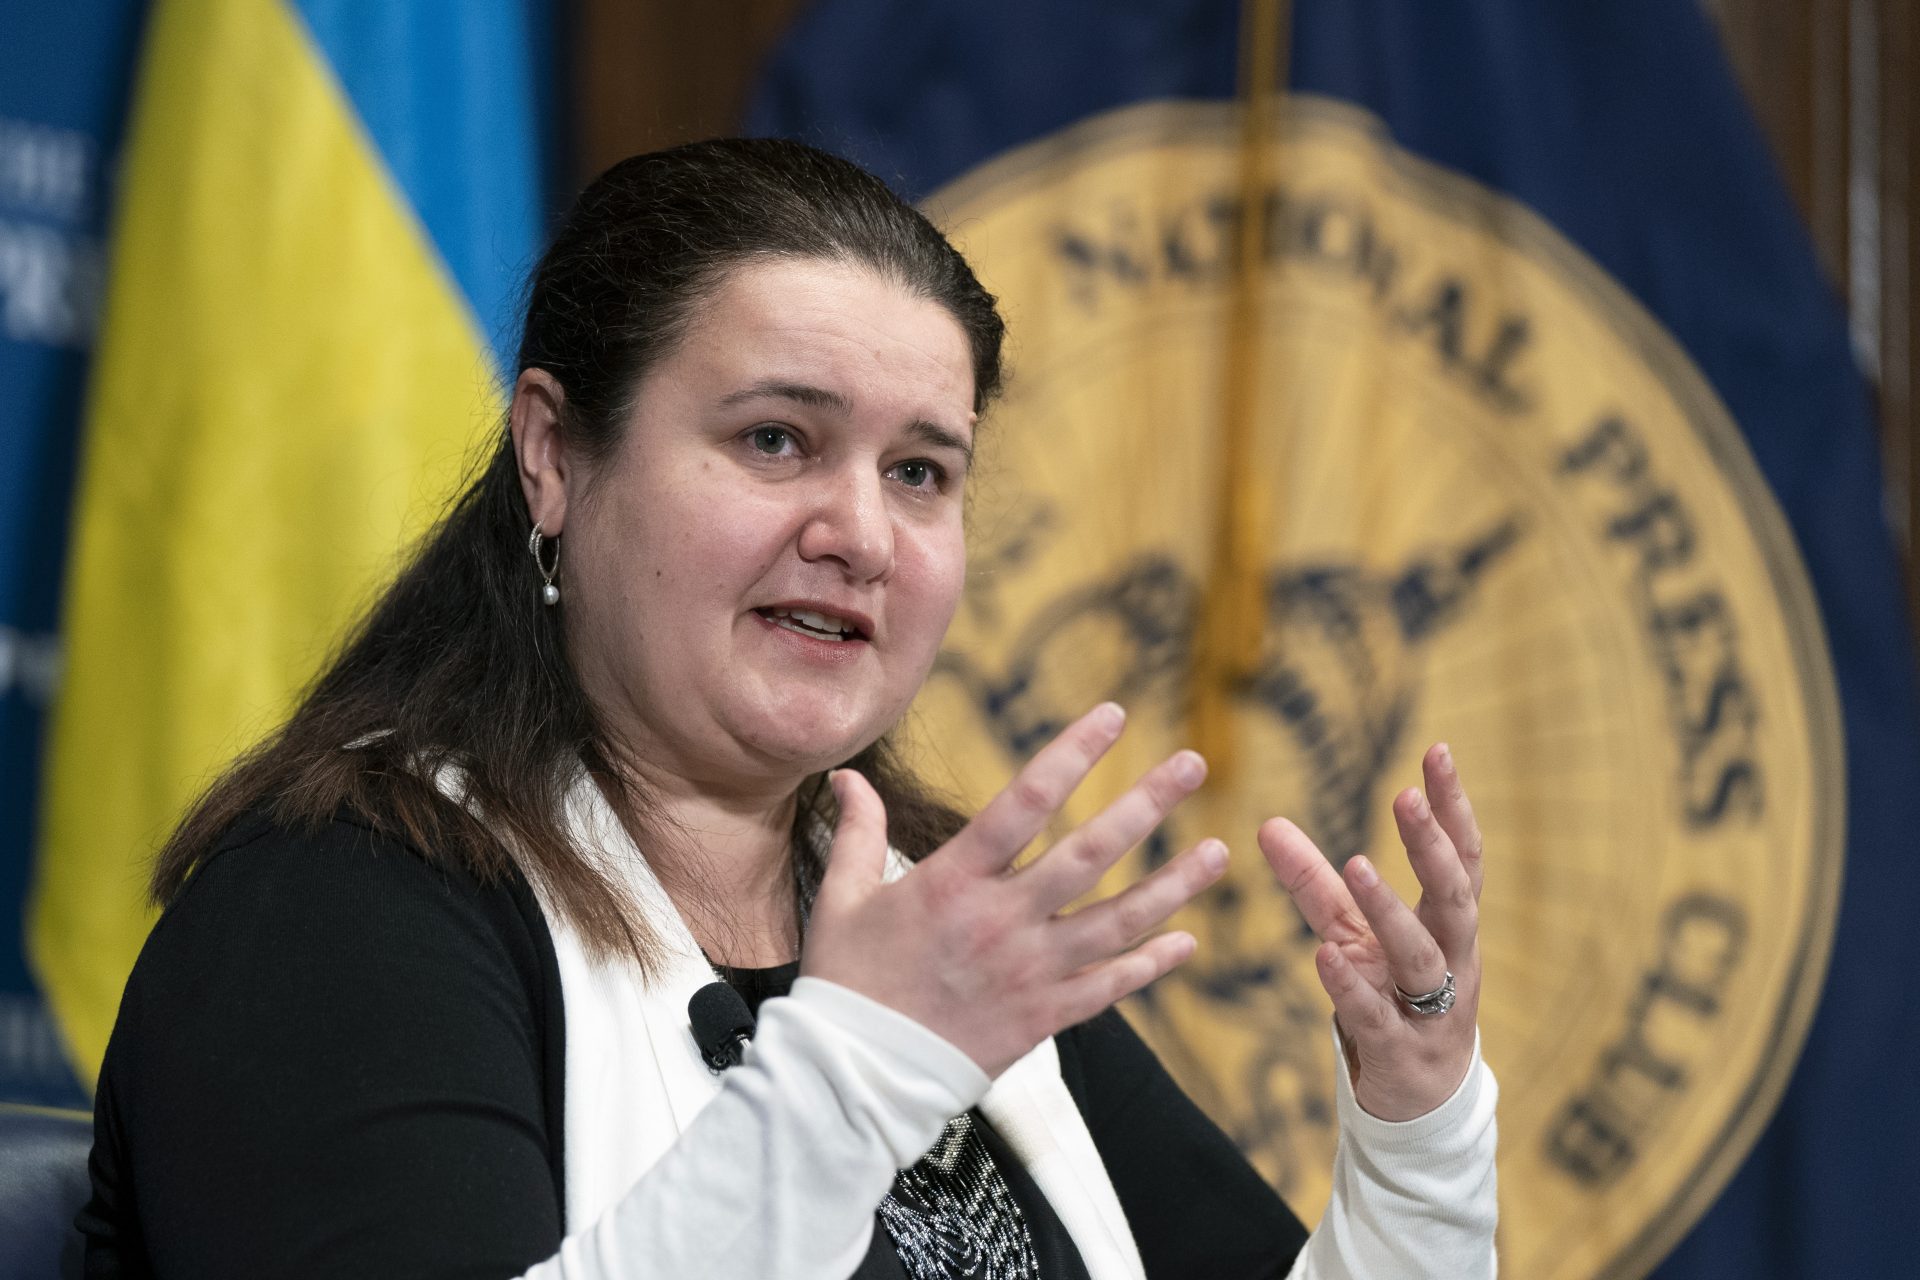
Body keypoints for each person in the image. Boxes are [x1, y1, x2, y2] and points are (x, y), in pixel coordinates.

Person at [76, 138, 1496, 1279]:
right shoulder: (334, 912)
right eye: (777, 440)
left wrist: (1419, 1129)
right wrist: (854, 1078)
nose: (862, 533)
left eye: (923, 471)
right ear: (555, 457)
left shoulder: (936, 920)